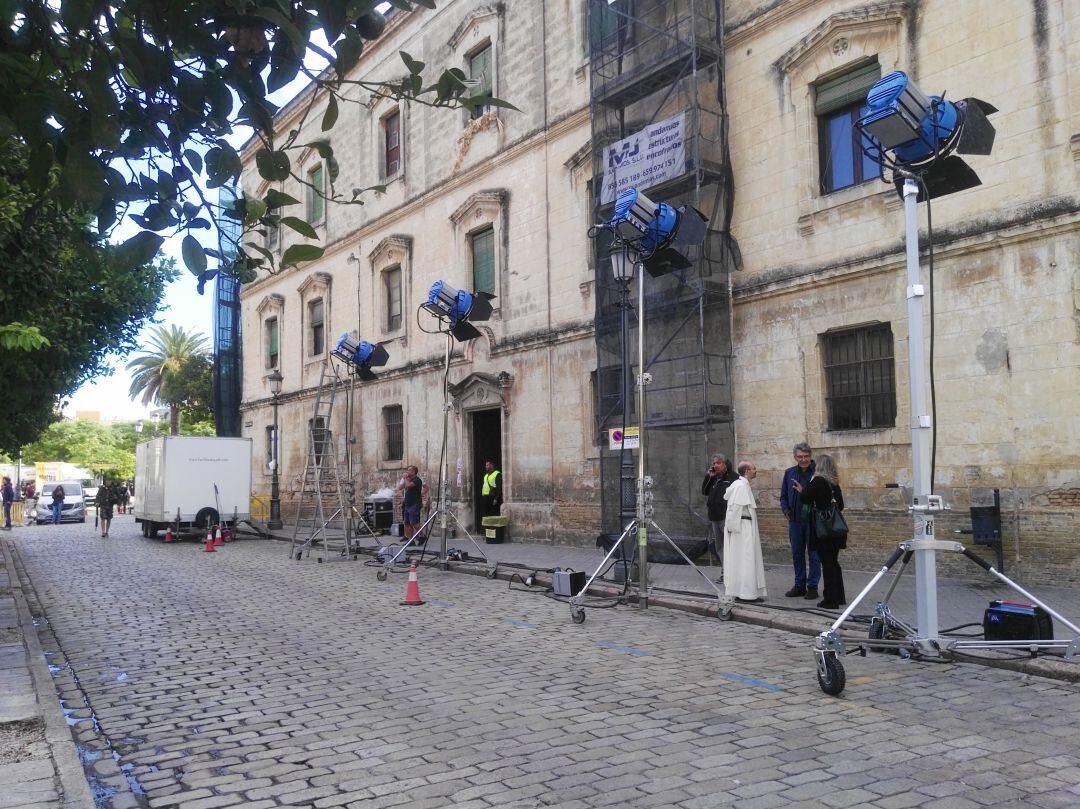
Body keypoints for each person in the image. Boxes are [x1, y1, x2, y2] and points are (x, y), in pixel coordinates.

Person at [797, 454, 846, 609]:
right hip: (836, 530)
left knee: (828, 564)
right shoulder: (834, 483)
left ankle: (830, 600)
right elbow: (841, 505)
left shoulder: (818, 481)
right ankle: (839, 596)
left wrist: (804, 488)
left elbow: (805, 497)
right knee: (834, 563)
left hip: (824, 531)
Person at [723, 460, 768, 602]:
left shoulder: (741, 485)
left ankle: (745, 592)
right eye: (754, 469)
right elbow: (733, 510)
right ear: (747, 471)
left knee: (745, 560)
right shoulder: (741, 486)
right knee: (746, 560)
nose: (756, 471)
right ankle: (746, 594)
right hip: (742, 530)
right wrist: (733, 531)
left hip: (744, 527)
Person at [780, 442, 820, 600]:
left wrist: (805, 492)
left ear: (810, 456)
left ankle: (812, 586)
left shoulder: (818, 473)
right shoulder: (789, 473)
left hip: (813, 520)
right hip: (795, 521)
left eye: (806, 456)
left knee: (814, 554)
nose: (803, 459)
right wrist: (786, 510)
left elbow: (822, 496)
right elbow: (783, 496)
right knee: (797, 554)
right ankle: (799, 585)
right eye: (800, 457)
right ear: (795, 457)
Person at [701, 454, 738, 568]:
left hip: (726, 517)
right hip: (714, 517)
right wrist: (709, 477)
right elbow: (704, 491)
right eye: (714, 463)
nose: (715, 465)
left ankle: (733, 572)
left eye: (718, 463)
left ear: (725, 464)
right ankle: (725, 571)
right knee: (719, 547)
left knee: (730, 546)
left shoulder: (733, 477)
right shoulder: (714, 478)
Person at [397, 465, 425, 543]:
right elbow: (400, 487)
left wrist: (406, 478)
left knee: (414, 522)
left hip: (414, 504)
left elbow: (409, 485)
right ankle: (410, 540)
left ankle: (422, 535)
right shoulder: (408, 480)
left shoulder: (417, 480)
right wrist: (404, 478)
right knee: (407, 523)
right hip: (407, 504)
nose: (407, 472)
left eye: (409, 470)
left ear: (413, 472)